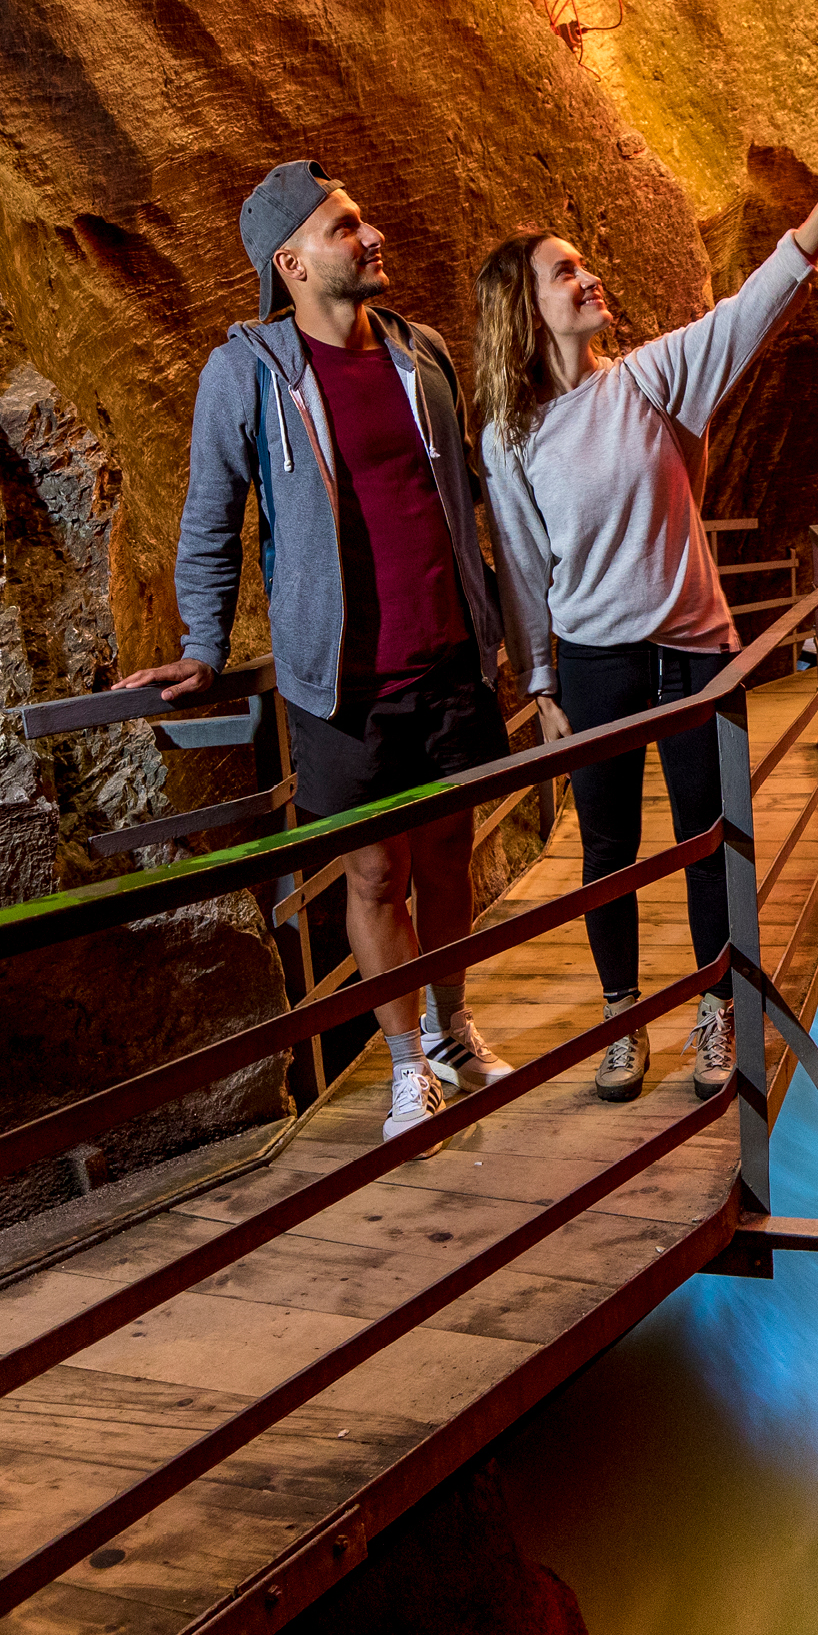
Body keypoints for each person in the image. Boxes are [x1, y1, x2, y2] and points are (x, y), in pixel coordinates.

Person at [478, 121, 818, 1103]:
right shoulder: (511, 435)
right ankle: (624, 1020)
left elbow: (758, 305)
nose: (585, 279)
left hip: (696, 649)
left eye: (581, 265)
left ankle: (717, 1021)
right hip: (596, 660)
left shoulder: (651, 379)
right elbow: (524, 564)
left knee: (711, 841)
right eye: (563, 272)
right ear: (525, 310)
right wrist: (540, 680)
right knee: (609, 850)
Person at [117, 161, 520, 1143]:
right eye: (347, 225)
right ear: (290, 261)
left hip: (450, 662)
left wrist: (506, 625)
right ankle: (407, 1061)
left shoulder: (420, 356)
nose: (371, 234)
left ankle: (454, 1024)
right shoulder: (246, 374)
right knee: (377, 877)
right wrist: (203, 646)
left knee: (450, 857)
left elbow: (466, 499)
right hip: (343, 682)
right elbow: (210, 515)